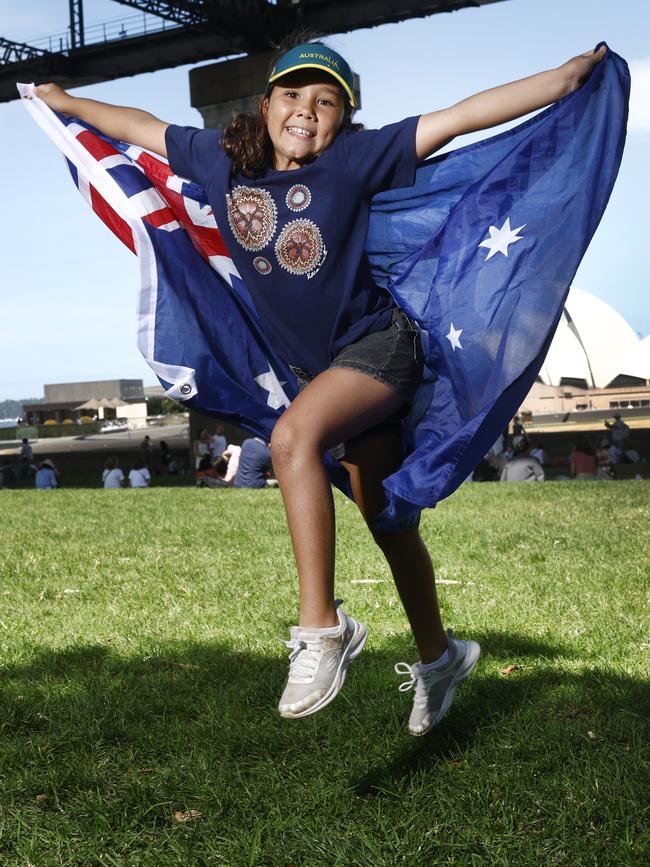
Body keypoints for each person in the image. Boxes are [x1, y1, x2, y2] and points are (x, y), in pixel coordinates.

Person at [34, 40, 606, 735]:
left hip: (379, 349)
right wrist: (65, 102)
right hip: (321, 370)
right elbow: (136, 126)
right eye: (293, 96)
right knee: (389, 522)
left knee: (291, 439)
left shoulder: (353, 163)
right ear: (266, 104)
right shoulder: (218, 161)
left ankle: (323, 628)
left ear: (342, 119)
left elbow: (460, 116)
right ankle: (441, 657)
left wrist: (566, 78)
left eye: (325, 100)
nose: (306, 110)